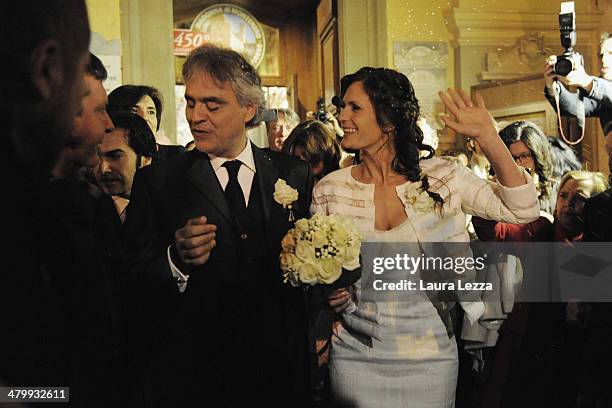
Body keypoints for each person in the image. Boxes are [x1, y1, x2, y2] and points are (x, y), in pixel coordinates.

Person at [311, 67, 539, 407]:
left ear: (388, 120)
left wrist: (488, 137)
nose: (341, 116)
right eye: (342, 107)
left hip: (430, 358)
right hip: (355, 356)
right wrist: (330, 292)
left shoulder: (445, 177)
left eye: (354, 108)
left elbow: (523, 210)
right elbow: (320, 273)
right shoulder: (331, 189)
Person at [123, 44, 314, 406]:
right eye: (191, 102)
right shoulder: (159, 181)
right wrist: (175, 260)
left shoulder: (293, 173)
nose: (196, 116)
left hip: (277, 373)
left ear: (248, 109)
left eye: (212, 105)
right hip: (195, 375)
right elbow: (132, 278)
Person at [0, 0, 91, 388]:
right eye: (82, 68)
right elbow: (29, 391)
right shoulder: (24, 225)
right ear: (48, 69)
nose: (82, 91)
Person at [473, 170, 607, 408]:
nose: (568, 204)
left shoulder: (596, 247)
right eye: (563, 196)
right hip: (525, 349)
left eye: (580, 199)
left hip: (573, 362)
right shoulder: (537, 231)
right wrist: (493, 194)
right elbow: (491, 232)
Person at [96, 111, 158, 222]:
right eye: (97, 157)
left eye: (115, 156)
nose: (103, 168)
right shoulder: (85, 213)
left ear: (146, 160)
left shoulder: (168, 211)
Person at [544, 34, 612, 133]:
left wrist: (586, 82)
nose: (603, 60)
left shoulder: (601, 89)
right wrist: (552, 85)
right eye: (601, 55)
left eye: (611, 53)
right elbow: (571, 107)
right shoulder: (601, 94)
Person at [108, 84, 186, 160]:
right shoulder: (103, 155)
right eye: (134, 110)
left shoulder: (178, 156)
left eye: (151, 112)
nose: (145, 118)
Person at [498, 121, 555, 214]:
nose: (517, 164)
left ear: (538, 156)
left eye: (524, 156)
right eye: (511, 158)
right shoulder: (497, 192)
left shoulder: (556, 192)